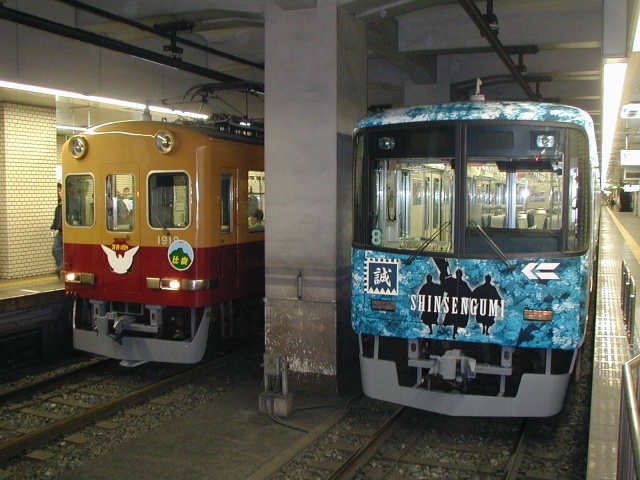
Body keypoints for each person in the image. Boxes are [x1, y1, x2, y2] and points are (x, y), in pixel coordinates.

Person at [51, 183, 63, 275]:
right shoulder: (58, 207)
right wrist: (53, 227)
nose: (60, 193)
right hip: (60, 232)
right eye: (59, 192)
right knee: (55, 249)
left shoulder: (70, 205)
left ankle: (61, 269)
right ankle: (61, 267)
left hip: (69, 232)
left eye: (62, 192)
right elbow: (56, 219)